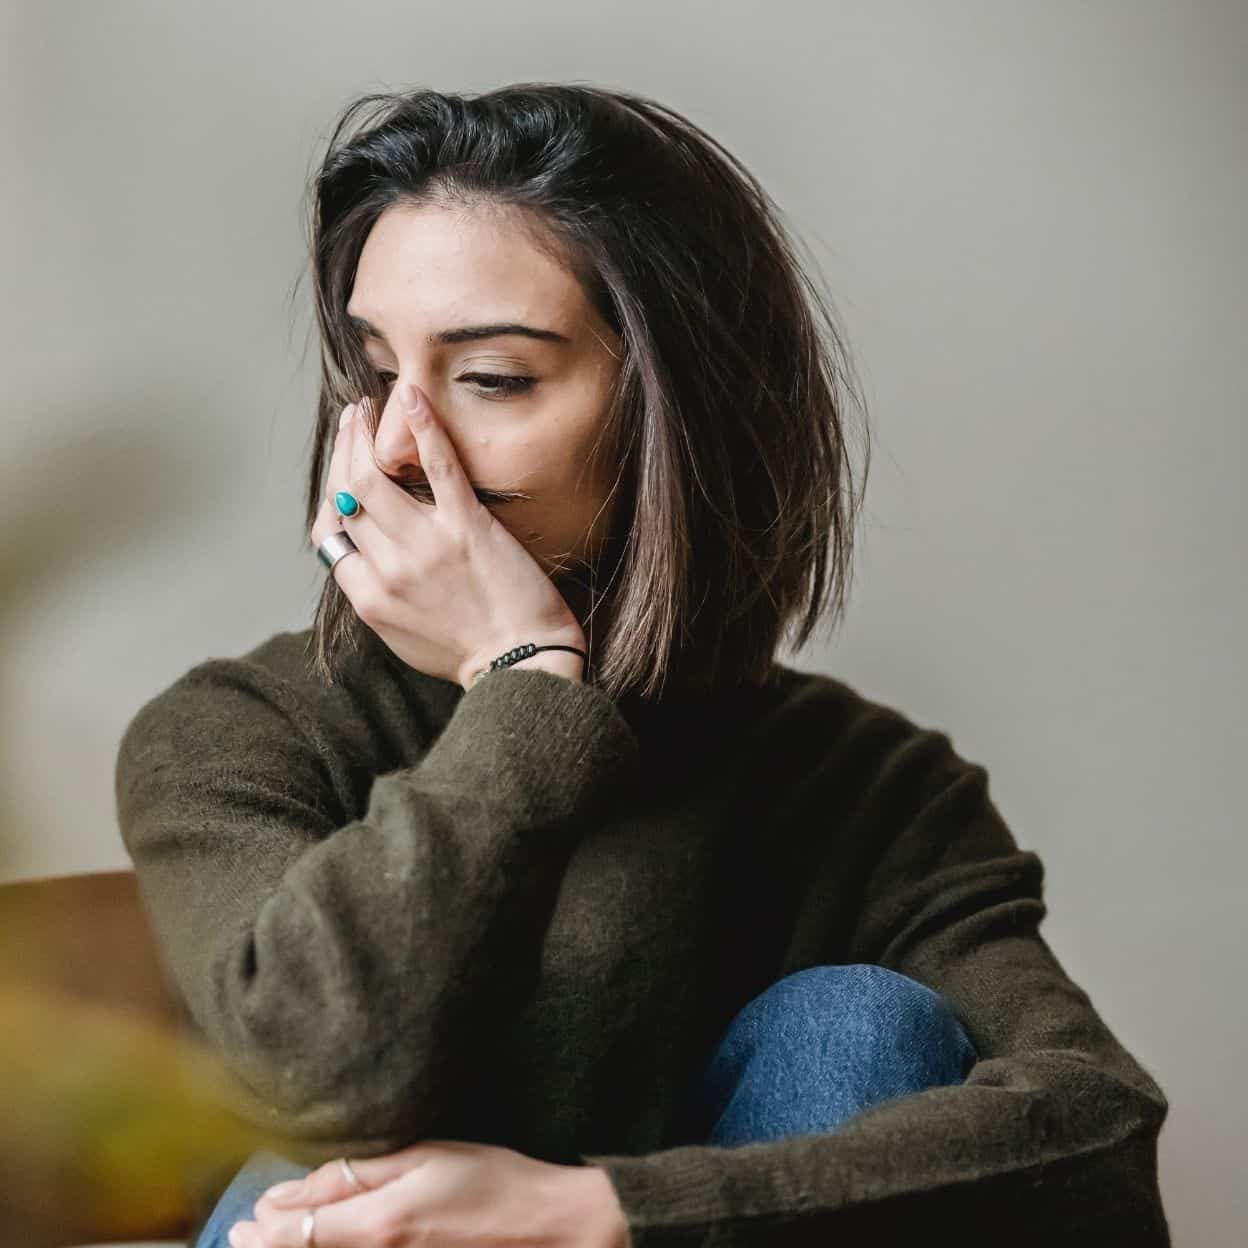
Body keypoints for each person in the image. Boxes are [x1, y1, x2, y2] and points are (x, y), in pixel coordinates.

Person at [113, 82, 1170, 1248]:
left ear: (678, 406)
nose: (401, 445)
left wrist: (610, 1214)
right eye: (372, 371)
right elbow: (318, 1082)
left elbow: (1100, 1139)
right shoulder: (240, 730)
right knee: (298, 1182)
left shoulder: (863, 788)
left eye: (493, 378)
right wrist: (521, 688)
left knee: (858, 1026)